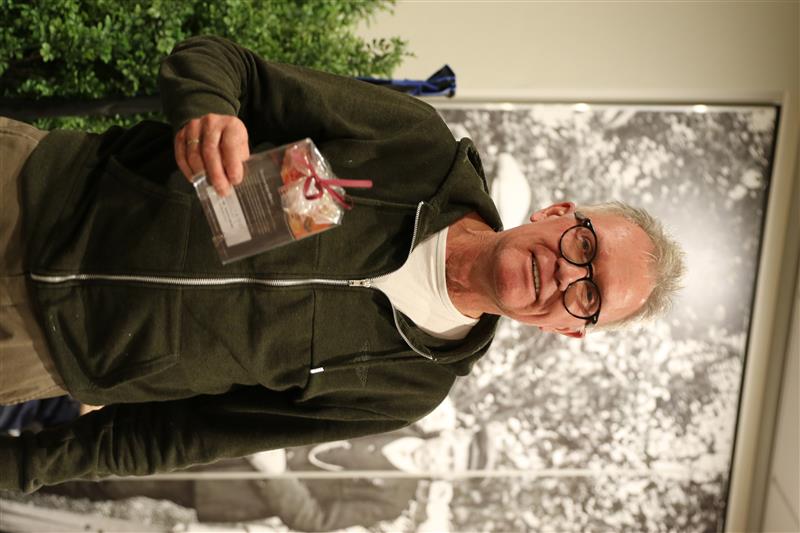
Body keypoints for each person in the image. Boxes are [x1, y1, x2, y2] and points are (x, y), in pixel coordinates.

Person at [0, 36, 684, 492]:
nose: (566, 275)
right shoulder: (415, 148)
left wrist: (24, 466)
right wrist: (207, 111)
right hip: (32, 187)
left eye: (589, 296)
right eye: (585, 248)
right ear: (557, 212)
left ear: (568, 328)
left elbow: (188, 434)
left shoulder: (409, 388)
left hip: (32, 352)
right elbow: (223, 63)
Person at [39, 426, 492, 531]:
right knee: (127, 438)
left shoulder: (392, 501)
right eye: (452, 445)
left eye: (450, 462)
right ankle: (38, 436)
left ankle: (33, 474)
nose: (442, 453)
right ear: (452, 432)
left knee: (122, 479)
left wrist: (276, 474)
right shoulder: (401, 421)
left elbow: (315, 519)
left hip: (231, 485)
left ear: (446, 477)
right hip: (234, 434)